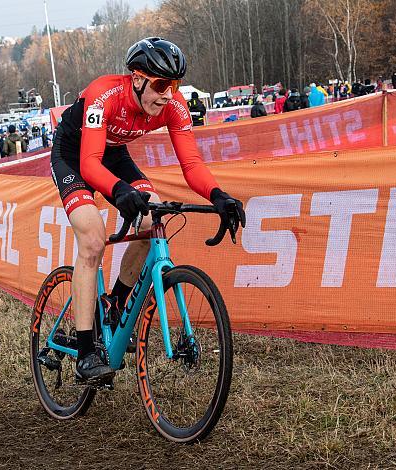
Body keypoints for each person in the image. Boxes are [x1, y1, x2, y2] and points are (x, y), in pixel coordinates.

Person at [50, 37, 245, 382]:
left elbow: (191, 163)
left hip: (112, 155)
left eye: (174, 85)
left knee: (153, 219)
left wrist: (218, 195)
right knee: (93, 239)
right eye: (160, 84)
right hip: (74, 154)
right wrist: (118, 190)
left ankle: (114, 304)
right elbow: (89, 163)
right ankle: (85, 352)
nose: (168, 94)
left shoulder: (173, 104)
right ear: (137, 79)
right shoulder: (104, 94)